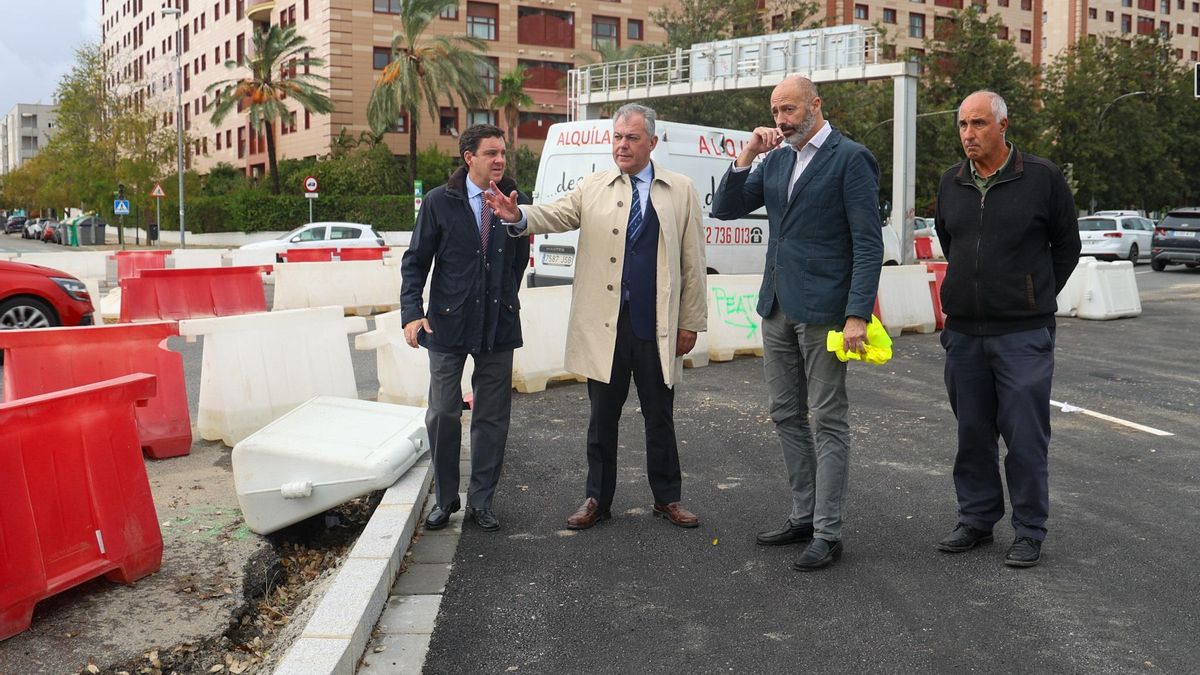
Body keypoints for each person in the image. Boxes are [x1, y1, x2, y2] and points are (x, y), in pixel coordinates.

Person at [484, 103, 708, 531]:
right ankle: (597, 499)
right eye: (618, 137)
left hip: (655, 326)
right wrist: (520, 216)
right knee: (601, 419)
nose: (623, 146)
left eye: (633, 138)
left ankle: (668, 498)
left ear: (652, 143)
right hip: (605, 326)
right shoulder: (592, 186)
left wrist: (690, 321)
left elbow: (693, 261)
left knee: (660, 416)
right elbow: (557, 213)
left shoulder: (680, 190)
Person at [711, 75, 883, 571]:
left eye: (789, 110)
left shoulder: (851, 159)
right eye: (776, 111)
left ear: (815, 106)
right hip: (777, 307)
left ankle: (828, 532)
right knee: (785, 413)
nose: (782, 120)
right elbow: (725, 209)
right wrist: (746, 154)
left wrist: (857, 314)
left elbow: (867, 244)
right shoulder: (777, 158)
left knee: (828, 419)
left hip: (828, 311)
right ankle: (803, 514)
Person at [932, 91, 1080, 567]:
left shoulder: (1041, 177)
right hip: (964, 334)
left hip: (1023, 334)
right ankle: (976, 520)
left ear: (1002, 125)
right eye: (962, 125)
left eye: (978, 124)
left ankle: (1029, 529)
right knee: (972, 434)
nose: (969, 134)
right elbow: (949, 240)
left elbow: (1066, 246)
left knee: (1025, 436)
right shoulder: (950, 183)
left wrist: (1032, 294)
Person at [400, 124, 531, 533]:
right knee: (442, 412)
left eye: (503, 153)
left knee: (492, 416)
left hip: (498, 324)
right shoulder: (441, 201)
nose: (499, 160)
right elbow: (416, 260)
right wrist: (411, 312)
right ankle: (445, 499)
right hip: (447, 324)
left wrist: (504, 297)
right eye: (490, 153)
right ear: (468, 157)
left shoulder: (515, 201)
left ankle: (482, 502)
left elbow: (517, 259)